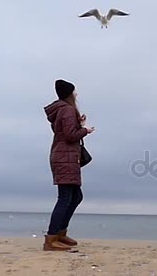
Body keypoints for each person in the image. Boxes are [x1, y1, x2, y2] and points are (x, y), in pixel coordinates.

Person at [42, 79, 95, 251]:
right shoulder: (67, 109)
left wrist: (78, 124)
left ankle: (60, 234)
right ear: (68, 94)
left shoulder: (63, 110)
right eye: (74, 91)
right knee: (65, 198)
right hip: (65, 157)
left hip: (65, 156)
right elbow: (70, 136)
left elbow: (63, 131)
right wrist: (85, 131)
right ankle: (51, 238)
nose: (76, 94)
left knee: (76, 197)